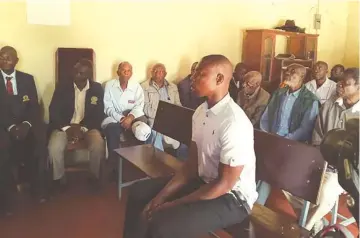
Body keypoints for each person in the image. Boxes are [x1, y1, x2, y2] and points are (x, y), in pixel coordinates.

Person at [123, 54, 258, 238]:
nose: (193, 78)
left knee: (163, 224)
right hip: (204, 181)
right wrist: (159, 198)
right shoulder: (201, 112)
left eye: (200, 74)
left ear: (219, 79)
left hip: (232, 198)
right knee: (139, 193)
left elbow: (224, 184)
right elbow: (190, 167)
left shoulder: (234, 122)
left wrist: (171, 204)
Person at [300, 68, 359, 233]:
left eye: (346, 84)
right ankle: (317, 223)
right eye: (340, 81)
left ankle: (305, 229)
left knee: (324, 194)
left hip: (347, 170)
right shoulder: (330, 105)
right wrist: (321, 157)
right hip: (322, 160)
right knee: (288, 178)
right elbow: (317, 134)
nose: (339, 86)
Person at [0, 46, 47, 210]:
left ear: (16, 61)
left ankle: (38, 188)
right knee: (2, 147)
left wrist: (27, 125)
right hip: (3, 126)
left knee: (39, 141)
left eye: (8, 57)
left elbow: (34, 106)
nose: (4, 60)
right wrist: (11, 127)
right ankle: (6, 198)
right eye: (2, 57)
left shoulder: (27, 79)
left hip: (25, 124)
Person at [48, 59, 105, 188]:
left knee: (98, 144)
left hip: (88, 127)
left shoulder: (96, 88)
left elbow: (99, 114)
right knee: (54, 147)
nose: (76, 75)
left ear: (88, 75)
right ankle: (59, 179)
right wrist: (67, 128)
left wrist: (83, 128)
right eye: (75, 71)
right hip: (64, 126)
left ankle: (94, 176)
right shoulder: (62, 86)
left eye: (80, 73)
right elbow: (54, 110)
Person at [260, 63, 319, 143]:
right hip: (272, 140)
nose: (287, 73)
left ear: (301, 77)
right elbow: (266, 116)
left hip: (293, 144)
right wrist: (267, 135)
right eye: (287, 71)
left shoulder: (310, 100)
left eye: (293, 72)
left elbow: (305, 129)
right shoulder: (278, 93)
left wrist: (285, 140)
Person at [102, 62, 146, 162]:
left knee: (141, 129)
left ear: (131, 73)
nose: (126, 73)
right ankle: (114, 164)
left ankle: (136, 162)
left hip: (132, 117)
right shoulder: (109, 85)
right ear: (118, 72)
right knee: (112, 129)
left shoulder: (136, 86)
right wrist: (121, 119)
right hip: (115, 118)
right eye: (123, 70)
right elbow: (108, 107)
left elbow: (139, 105)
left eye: (129, 71)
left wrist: (130, 117)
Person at [141, 63, 182, 151]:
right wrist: (161, 116)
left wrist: (173, 116)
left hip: (171, 120)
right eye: (155, 71)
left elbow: (178, 105)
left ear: (165, 74)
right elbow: (145, 107)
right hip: (153, 120)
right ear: (151, 73)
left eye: (161, 71)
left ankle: (180, 160)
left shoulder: (173, 87)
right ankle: (159, 158)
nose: (158, 73)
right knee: (157, 131)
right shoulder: (144, 87)